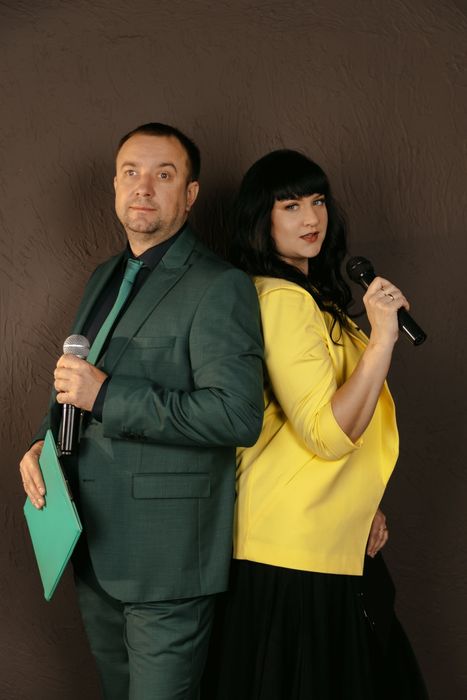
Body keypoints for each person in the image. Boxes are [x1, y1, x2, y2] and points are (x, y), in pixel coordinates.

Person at [19, 122, 264, 700]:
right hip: (90, 544)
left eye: (164, 174)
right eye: (131, 172)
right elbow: (76, 381)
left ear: (191, 193)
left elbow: (236, 415)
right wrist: (41, 443)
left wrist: (107, 396)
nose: (144, 187)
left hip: (167, 562)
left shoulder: (220, 285)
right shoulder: (104, 275)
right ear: (115, 185)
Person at [203, 149, 429, 699]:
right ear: (261, 219)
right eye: (290, 206)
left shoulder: (310, 298)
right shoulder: (281, 298)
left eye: (318, 201)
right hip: (293, 547)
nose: (311, 218)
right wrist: (382, 339)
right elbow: (327, 434)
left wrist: (361, 505)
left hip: (317, 538)